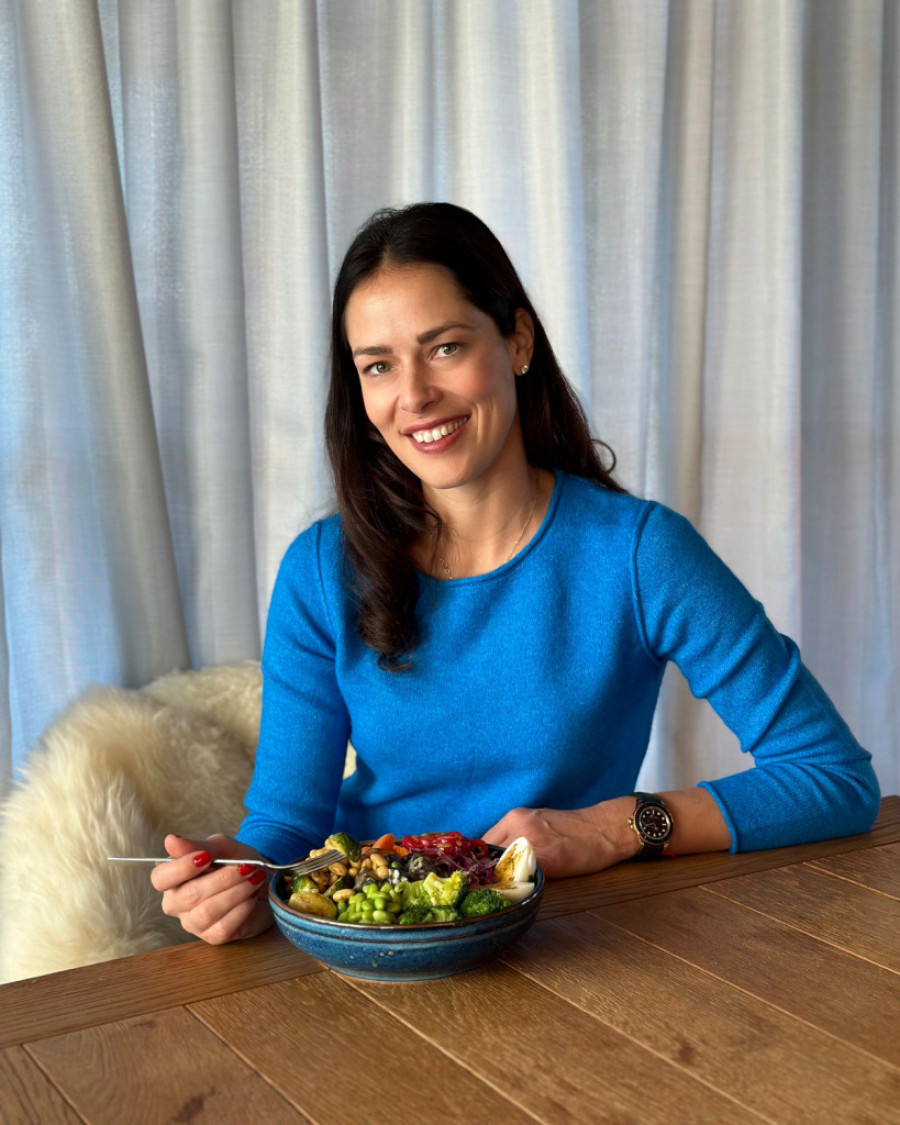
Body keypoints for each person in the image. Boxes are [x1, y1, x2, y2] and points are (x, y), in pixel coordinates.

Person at [153, 202, 880, 945]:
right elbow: (286, 829)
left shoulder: (639, 553)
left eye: (444, 348)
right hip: (367, 947)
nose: (414, 395)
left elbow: (833, 776)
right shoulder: (319, 570)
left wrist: (616, 826)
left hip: (570, 942)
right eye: (378, 365)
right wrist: (239, 878)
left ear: (518, 341)